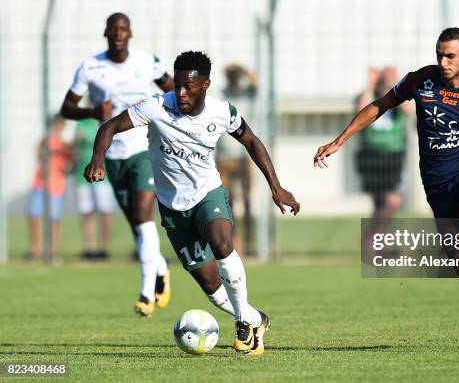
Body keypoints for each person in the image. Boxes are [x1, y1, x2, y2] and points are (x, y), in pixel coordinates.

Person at [315, 27, 459, 346]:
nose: (443, 61)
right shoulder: (420, 80)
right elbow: (380, 106)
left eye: (450, 55)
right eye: (439, 54)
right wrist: (338, 141)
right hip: (438, 184)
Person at [85, 51, 300, 355]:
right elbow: (109, 127)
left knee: (222, 242)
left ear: (206, 85)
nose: (181, 93)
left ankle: (241, 324)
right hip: (173, 207)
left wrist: (276, 187)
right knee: (210, 285)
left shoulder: (223, 112)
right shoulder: (156, 107)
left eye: (189, 86)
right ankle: (255, 318)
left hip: (207, 194)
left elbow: (251, 141)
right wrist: (98, 159)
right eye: (178, 86)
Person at [60, 12, 174, 316]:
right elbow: (67, 107)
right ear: (106, 33)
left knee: (143, 214)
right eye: (113, 29)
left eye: (123, 28)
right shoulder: (91, 67)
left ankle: (146, 292)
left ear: (130, 33)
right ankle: (161, 269)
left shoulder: (147, 62)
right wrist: (92, 111)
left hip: (144, 149)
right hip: (111, 154)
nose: (118, 33)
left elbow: (175, 91)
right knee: (137, 223)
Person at [355, 66, 413, 251]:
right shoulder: (366, 96)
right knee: (380, 203)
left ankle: (370, 238)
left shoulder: (398, 96)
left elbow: (408, 111)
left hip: (394, 156)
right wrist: (370, 86)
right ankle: (378, 246)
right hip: (371, 156)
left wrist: (393, 85)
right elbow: (359, 110)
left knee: (393, 201)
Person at [216, 64, 258, 256]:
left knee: (248, 202)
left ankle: (251, 244)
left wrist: (243, 70)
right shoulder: (222, 94)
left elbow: (256, 84)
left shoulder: (247, 94)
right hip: (225, 158)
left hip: (244, 157)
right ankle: (233, 244)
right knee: (228, 203)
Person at [27, 115, 74, 263]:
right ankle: (36, 250)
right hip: (40, 183)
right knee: (34, 216)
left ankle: (53, 251)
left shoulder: (65, 145)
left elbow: (70, 165)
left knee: (54, 219)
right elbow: (39, 155)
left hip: (56, 185)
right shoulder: (45, 141)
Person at [73, 118, 114, 260]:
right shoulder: (82, 123)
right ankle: (89, 248)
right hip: (83, 174)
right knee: (87, 212)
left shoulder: (106, 121)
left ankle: (104, 247)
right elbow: (76, 143)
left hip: (102, 177)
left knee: (105, 211)